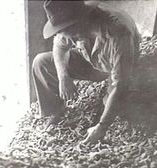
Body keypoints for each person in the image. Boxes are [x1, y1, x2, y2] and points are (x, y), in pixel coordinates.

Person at [32, 0, 140, 144]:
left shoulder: (118, 33)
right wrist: (63, 76)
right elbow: (59, 47)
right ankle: (55, 109)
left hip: (118, 64)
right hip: (91, 60)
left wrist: (101, 128)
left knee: (118, 109)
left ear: (79, 21)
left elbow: (119, 84)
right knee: (41, 62)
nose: (62, 34)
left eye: (64, 30)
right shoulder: (73, 25)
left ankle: (103, 116)